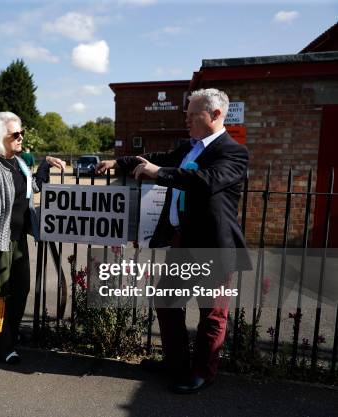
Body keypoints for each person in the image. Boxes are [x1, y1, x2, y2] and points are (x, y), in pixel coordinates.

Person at [97, 88, 251, 394]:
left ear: (216, 115)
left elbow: (206, 181)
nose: (187, 121)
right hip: (183, 242)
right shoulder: (189, 146)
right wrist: (119, 163)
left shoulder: (233, 152)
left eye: (193, 115)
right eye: (187, 114)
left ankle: (203, 372)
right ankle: (176, 363)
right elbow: (156, 158)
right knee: (167, 303)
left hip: (214, 246)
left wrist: (160, 174)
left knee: (212, 313)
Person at [0, 112, 65, 364]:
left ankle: (8, 335)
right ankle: (3, 346)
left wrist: (45, 164)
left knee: (21, 290)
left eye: (21, 132)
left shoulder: (20, 163)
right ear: (1, 138)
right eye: (15, 134)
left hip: (19, 239)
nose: (21, 137)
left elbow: (35, 186)